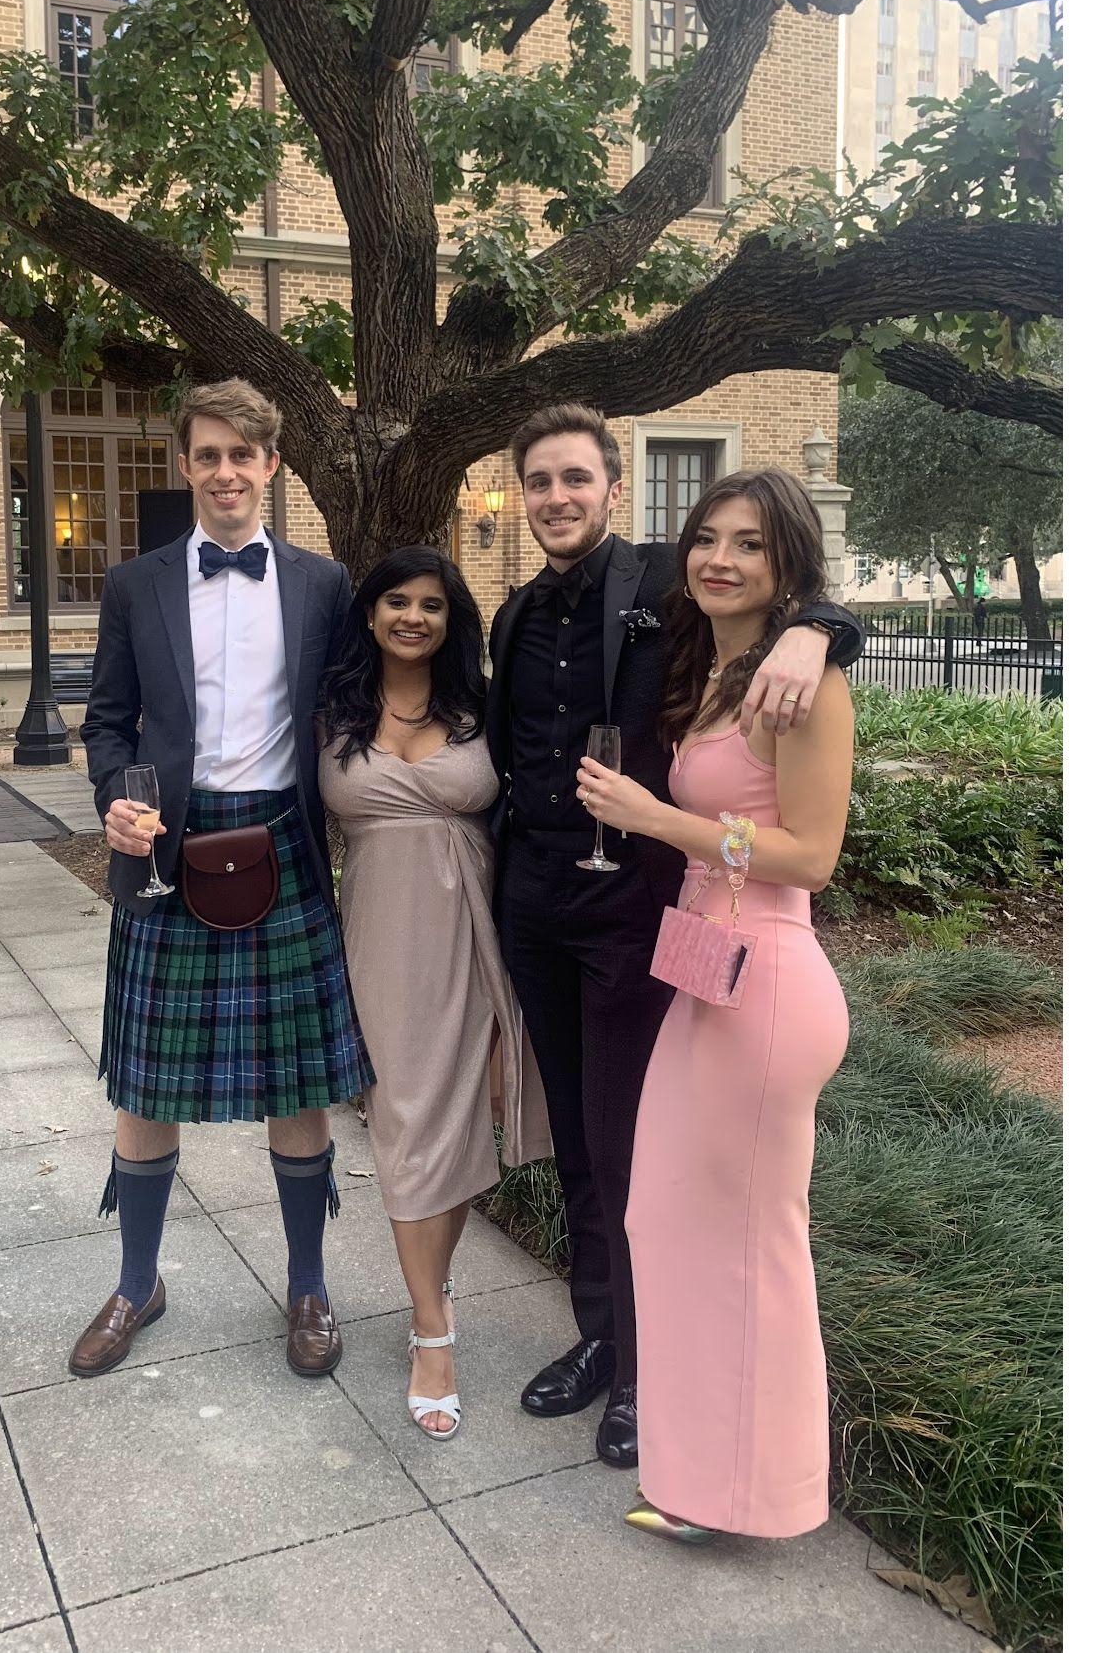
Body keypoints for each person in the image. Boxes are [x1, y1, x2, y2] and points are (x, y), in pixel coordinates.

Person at [487, 404, 863, 1469]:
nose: (557, 496)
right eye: (539, 480)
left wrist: (819, 628)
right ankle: (600, 1337)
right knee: (574, 1135)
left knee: (629, 1144)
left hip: (641, 907)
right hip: (535, 904)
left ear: (614, 489)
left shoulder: (667, 579)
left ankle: (646, 1376)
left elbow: (795, 596)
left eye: (576, 477)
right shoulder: (512, 614)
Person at [71, 380, 375, 1380]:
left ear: (271, 464)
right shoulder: (137, 583)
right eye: (208, 454)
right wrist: (115, 796)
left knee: (299, 1083)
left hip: (282, 846)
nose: (226, 471)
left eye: (243, 454)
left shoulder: (323, 583)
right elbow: (107, 720)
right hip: (167, 848)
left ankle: (308, 1285)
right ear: (185, 464)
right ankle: (136, 1282)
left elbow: (356, 702)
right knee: (145, 1084)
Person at [574, 468, 853, 1543]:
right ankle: (698, 1472)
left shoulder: (804, 685)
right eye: (706, 537)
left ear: (788, 564)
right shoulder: (721, 669)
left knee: (753, 1243)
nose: (720, 559)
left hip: (767, 981)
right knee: (663, 1216)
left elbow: (812, 856)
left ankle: (758, 1496)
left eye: (750, 543)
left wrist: (656, 818)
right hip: (705, 967)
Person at [318, 547, 551, 1441]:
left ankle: (431, 1300)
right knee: (407, 1126)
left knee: (456, 1123)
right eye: (396, 601)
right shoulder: (330, 710)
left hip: (479, 935)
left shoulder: (484, 707)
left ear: (453, 621)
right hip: (381, 940)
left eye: (432, 604)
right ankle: (432, 1326)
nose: (412, 617)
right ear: (370, 614)